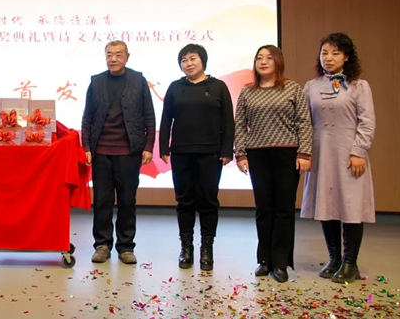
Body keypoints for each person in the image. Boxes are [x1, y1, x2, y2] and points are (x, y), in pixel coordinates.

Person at [301, 33, 375, 284]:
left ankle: (350, 263)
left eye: (335, 53)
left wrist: (359, 151)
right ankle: (334, 259)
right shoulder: (311, 86)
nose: (329, 58)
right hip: (321, 152)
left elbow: (367, 122)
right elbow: (304, 122)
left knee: (351, 206)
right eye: (324, 53)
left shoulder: (359, 86)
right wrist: (305, 152)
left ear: (346, 57)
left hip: (348, 152)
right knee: (327, 205)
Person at [234, 45, 312, 283]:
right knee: (263, 208)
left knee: (284, 209)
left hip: (287, 154)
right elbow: (240, 124)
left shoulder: (293, 88)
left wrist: (304, 153)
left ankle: (280, 262)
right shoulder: (247, 92)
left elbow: (304, 122)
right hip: (257, 154)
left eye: (269, 57)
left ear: (278, 61)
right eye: (259, 58)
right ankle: (264, 259)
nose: (263, 61)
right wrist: (241, 154)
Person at [159, 44, 234, 272]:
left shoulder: (218, 87)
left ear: (203, 61)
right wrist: (164, 147)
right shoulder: (175, 87)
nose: (188, 63)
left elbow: (228, 121)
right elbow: (166, 119)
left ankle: (207, 248)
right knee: (184, 201)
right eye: (184, 60)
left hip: (210, 153)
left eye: (193, 58)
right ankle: (186, 247)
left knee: (208, 201)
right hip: (181, 152)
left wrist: (227, 150)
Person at [81, 40, 156, 265]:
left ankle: (126, 247)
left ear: (127, 57)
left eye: (118, 54)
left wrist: (149, 146)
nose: (113, 59)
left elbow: (149, 115)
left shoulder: (138, 80)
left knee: (127, 200)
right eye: (109, 54)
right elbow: (87, 117)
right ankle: (102, 245)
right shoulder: (96, 82)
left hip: (129, 151)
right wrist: (86, 147)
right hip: (101, 151)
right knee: (102, 201)